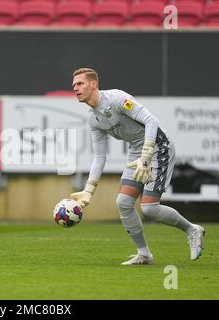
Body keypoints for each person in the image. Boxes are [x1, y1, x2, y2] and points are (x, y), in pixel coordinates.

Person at [69, 67, 205, 265]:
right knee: (123, 203)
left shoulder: (116, 98)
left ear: (93, 84)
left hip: (159, 147)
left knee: (149, 208)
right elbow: (99, 156)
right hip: (136, 152)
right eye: (73, 85)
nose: (76, 88)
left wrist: (147, 156)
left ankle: (193, 230)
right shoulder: (94, 119)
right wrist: (89, 190)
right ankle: (144, 255)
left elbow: (150, 121)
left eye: (80, 84)